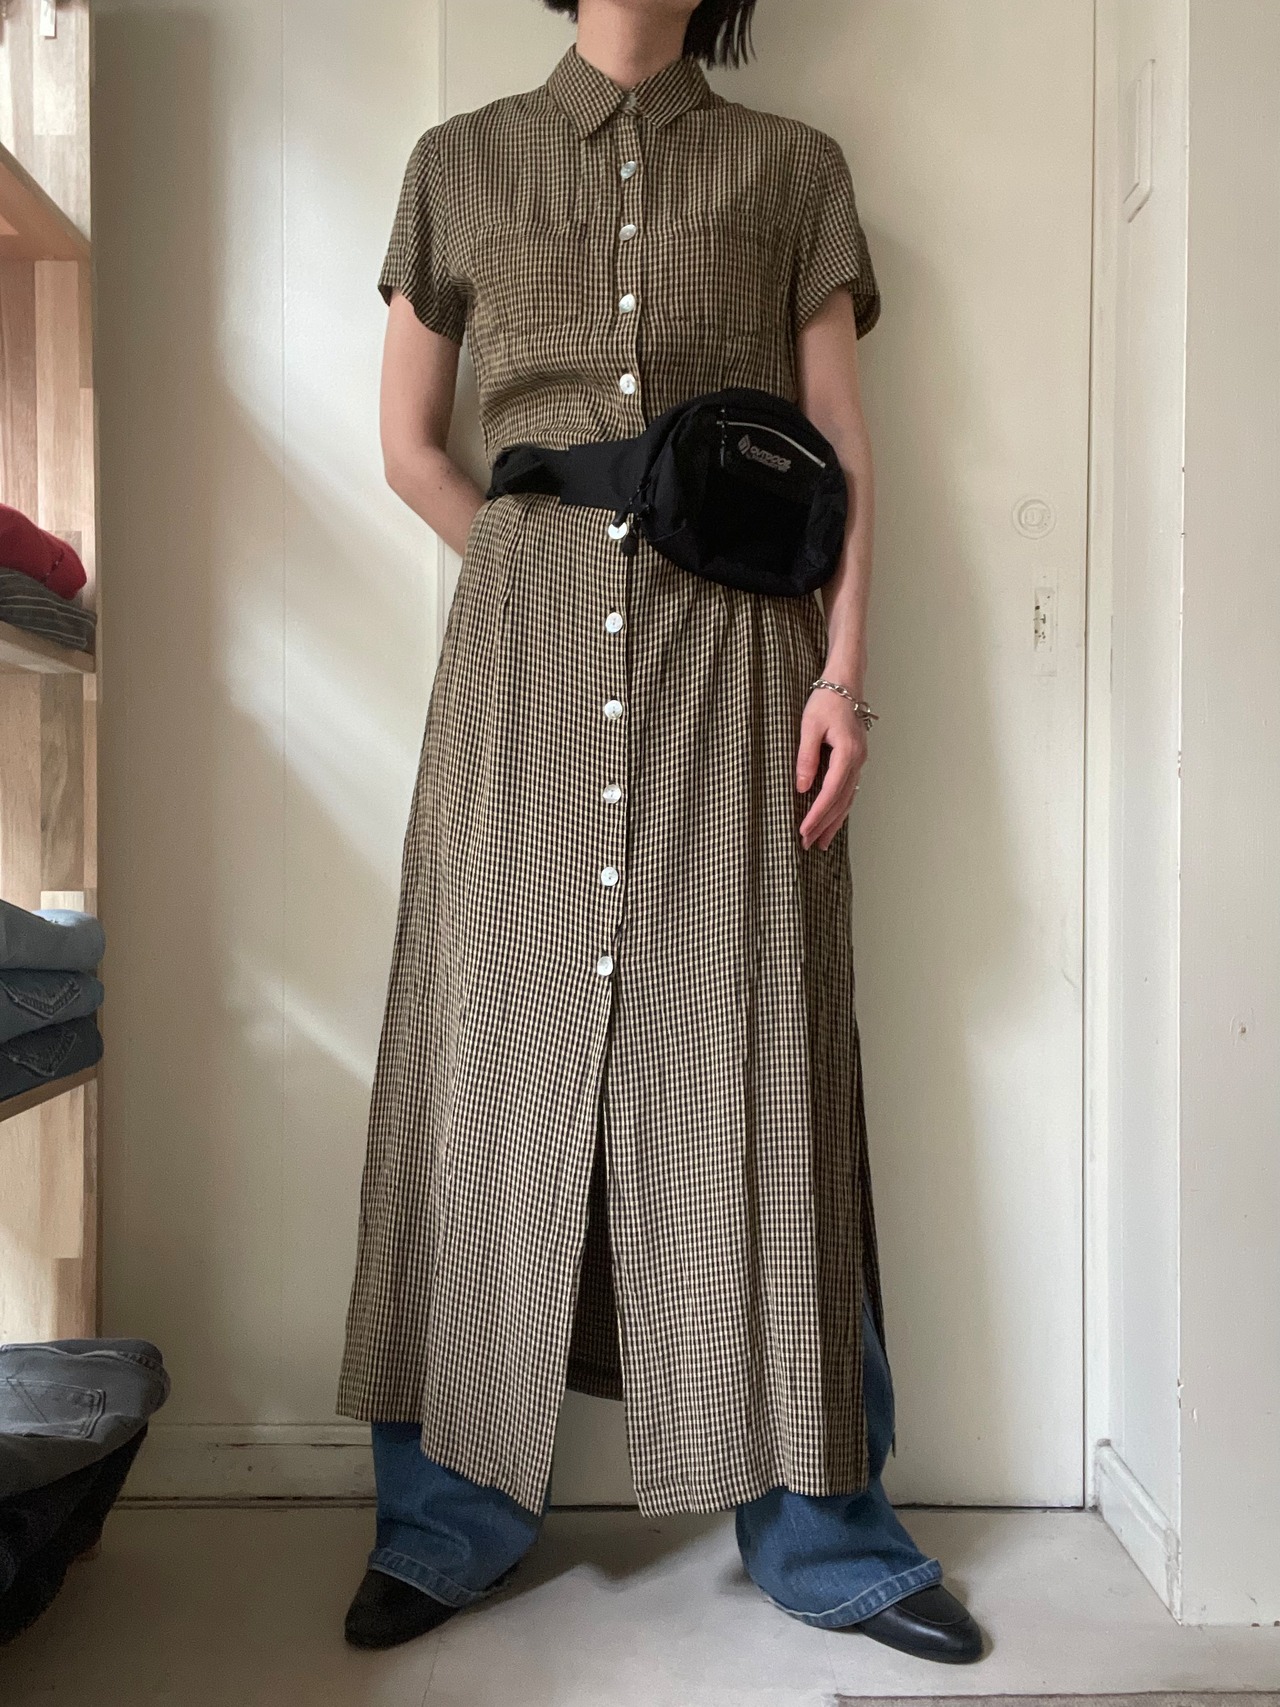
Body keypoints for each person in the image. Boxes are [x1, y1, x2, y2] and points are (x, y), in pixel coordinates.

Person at [337, 0, 987, 1666]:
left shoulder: (793, 169)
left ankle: (825, 1529)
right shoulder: (457, 163)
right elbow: (408, 443)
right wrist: (539, 562)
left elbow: (840, 444)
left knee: (763, 1063)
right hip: (524, 676)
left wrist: (843, 676)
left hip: (745, 661)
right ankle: (444, 1519)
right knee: (491, 1056)